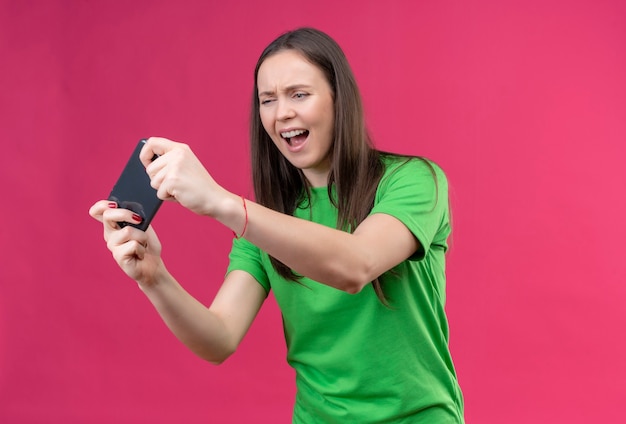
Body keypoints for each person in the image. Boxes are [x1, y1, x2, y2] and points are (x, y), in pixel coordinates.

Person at [89, 27, 464, 423]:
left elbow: (357, 265)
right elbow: (218, 338)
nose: (281, 112)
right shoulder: (269, 220)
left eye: (299, 94)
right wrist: (154, 278)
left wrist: (223, 203)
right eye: (268, 100)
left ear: (340, 99)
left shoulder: (415, 180)